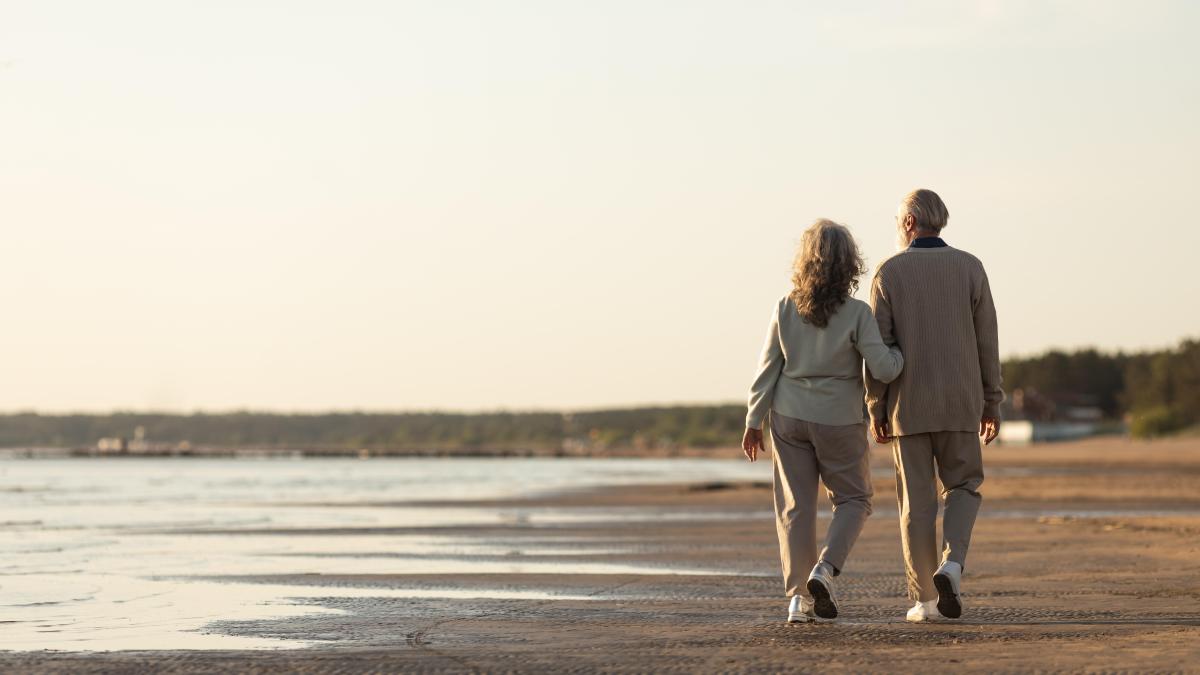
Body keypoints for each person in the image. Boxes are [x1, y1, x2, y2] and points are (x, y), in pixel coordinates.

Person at [742, 219, 904, 624]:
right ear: (850, 263)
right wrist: (901, 354)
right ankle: (825, 569)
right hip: (839, 419)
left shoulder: (785, 307)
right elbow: (884, 369)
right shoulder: (857, 313)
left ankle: (797, 600)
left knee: (795, 509)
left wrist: (753, 421)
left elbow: (767, 370)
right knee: (854, 500)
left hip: (789, 416)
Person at [865, 188, 1003, 623]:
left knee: (916, 505)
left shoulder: (889, 273)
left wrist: (876, 407)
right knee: (963, 488)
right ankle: (953, 565)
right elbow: (987, 342)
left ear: (908, 223)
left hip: (909, 407)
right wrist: (992, 400)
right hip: (961, 402)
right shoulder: (970, 268)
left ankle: (925, 601)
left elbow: (878, 349)